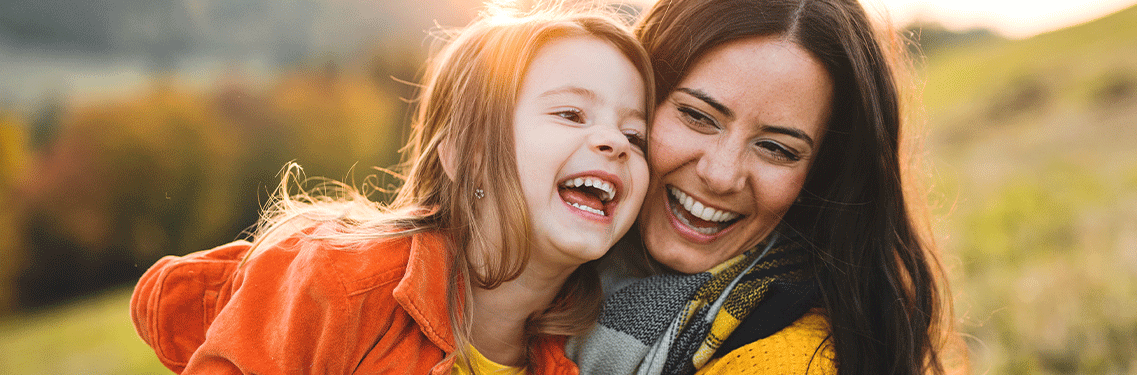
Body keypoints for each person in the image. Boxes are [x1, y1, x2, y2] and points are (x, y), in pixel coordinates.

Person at [130, 5, 655, 374]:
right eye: (570, 113)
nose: (615, 141)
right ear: (466, 155)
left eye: (635, 134)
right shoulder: (336, 281)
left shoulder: (571, 363)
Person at [569, 0, 957, 374]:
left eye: (776, 148)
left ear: (820, 175)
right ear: (635, 100)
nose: (721, 175)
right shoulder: (546, 268)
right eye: (697, 116)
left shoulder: (783, 363)